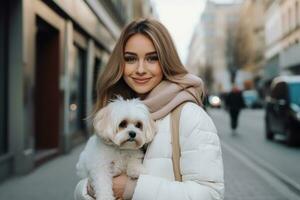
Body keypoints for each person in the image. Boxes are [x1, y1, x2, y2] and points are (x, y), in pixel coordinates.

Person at [74, 18, 224, 200]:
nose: (140, 69)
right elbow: (87, 176)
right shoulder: (113, 110)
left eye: (152, 58)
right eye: (130, 59)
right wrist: (89, 190)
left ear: (166, 61)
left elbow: (210, 194)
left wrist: (131, 189)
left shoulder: (189, 116)